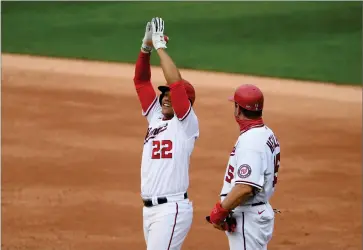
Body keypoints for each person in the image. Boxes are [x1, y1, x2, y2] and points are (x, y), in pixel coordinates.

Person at [133, 17, 199, 250]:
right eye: (164, 93)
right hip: (149, 211)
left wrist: (160, 46)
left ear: (185, 102)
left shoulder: (186, 124)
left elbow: (176, 84)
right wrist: (145, 47)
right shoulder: (155, 117)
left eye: (171, 94)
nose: (166, 96)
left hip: (171, 210)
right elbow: (141, 81)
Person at [206, 84, 281, 250]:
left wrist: (220, 211)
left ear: (238, 109)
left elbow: (245, 187)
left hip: (249, 217)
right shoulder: (266, 133)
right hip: (254, 214)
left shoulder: (251, 142)